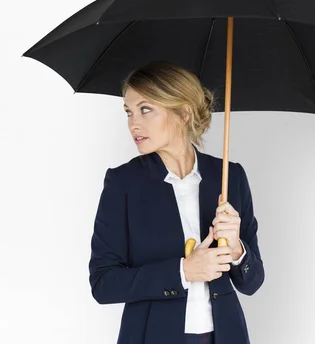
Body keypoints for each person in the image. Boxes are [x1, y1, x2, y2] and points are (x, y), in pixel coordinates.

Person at [88, 61, 265, 344]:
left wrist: (235, 249)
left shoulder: (230, 177)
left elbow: (252, 282)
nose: (134, 123)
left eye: (146, 109)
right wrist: (183, 271)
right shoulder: (123, 184)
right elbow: (103, 283)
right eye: (129, 112)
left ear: (183, 113)